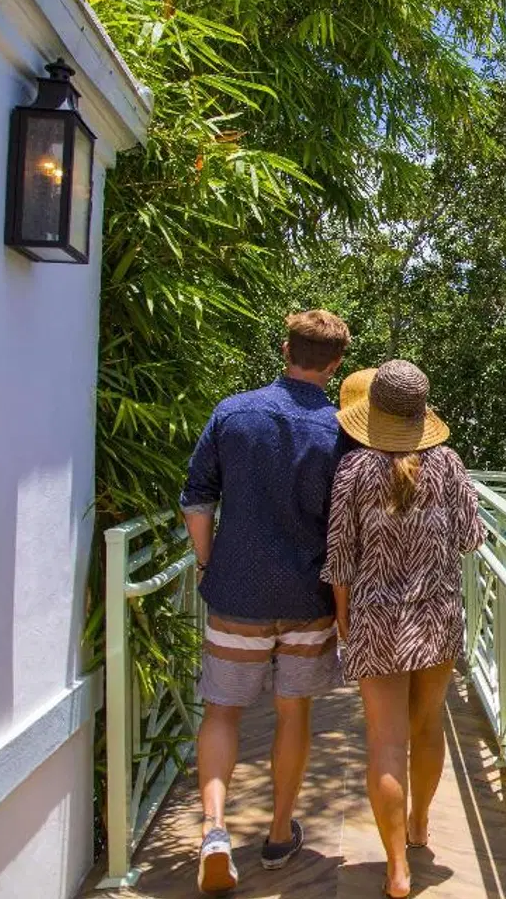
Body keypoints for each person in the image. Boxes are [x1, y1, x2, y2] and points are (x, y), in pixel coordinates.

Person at [180, 310, 352, 894]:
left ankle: (214, 829)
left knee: (222, 712)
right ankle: (279, 835)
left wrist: (207, 563)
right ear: (334, 364)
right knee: (293, 711)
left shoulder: (233, 412)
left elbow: (197, 499)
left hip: (237, 593)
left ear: (285, 349)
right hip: (309, 597)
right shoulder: (340, 428)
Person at [321, 359, 485, 898]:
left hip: (374, 617)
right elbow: (470, 538)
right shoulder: (450, 464)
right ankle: (419, 824)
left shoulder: (354, 470)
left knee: (385, 743)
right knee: (428, 725)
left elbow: (340, 557)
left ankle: (395, 869)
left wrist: (344, 620)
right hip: (436, 615)